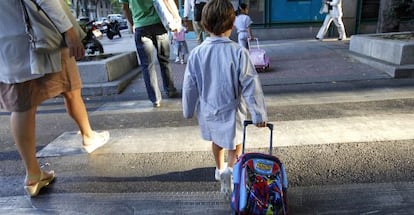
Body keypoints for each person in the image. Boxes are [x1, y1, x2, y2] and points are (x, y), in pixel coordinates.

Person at [0, 1, 110, 197]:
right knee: (70, 88)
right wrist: (69, 30)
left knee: (22, 105)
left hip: (6, 45)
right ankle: (88, 136)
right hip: (39, 36)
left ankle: (33, 173)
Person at [182, 0, 268, 199]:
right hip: (232, 108)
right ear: (232, 25)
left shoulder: (197, 53)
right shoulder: (239, 52)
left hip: (208, 108)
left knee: (216, 140)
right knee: (235, 143)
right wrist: (258, 114)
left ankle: (219, 168)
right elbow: (250, 85)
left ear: (204, 25)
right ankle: (231, 169)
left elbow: (189, 85)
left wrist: (187, 110)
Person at [121, 0, 178, 107]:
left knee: (147, 65)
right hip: (159, 24)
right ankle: (170, 89)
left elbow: (125, 8)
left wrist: (133, 23)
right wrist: (176, 18)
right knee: (164, 60)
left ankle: (155, 98)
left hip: (141, 26)